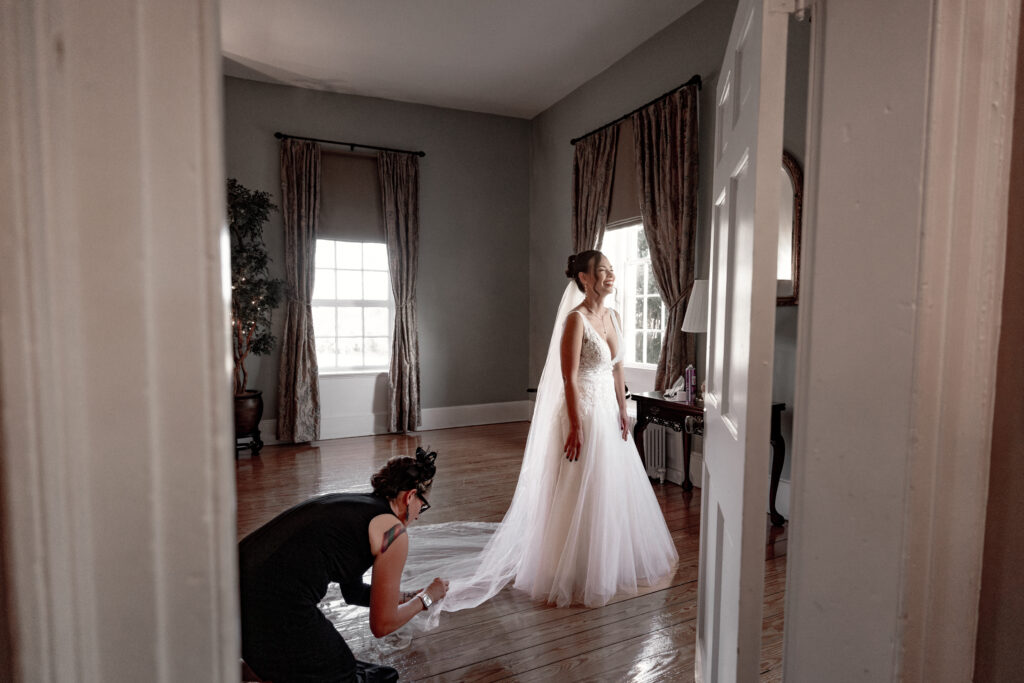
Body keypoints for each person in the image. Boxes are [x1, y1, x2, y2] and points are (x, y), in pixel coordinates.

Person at [402, 250, 677, 625]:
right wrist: (577, 426)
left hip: (608, 414)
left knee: (607, 489)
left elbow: (617, 369)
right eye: (603, 271)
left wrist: (621, 408)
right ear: (584, 277)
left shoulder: (612, 316)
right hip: (580, 411)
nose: (611, 275)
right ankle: (571, 569)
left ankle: (606, 563)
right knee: (578, 487)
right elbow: (567, 378)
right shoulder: (575, 319)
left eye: (612, 270)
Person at [238, 447, 449, 683]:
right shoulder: (393, 532)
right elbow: (382, 625)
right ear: (410, 497)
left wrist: (402, 598)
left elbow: (353, 592)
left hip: (233, 593)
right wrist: (427, 599)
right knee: (345, 675)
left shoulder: (356, 509)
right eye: (423, 505)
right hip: (271, 606)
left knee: (340, 665)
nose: (419, 514)